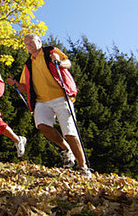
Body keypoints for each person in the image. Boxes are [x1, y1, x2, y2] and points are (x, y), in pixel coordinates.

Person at [7, 33, 92, 178]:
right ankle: (66, 150)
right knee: (41, 125)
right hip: (41, 101)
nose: (30, 45)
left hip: (61, 97)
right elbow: (25, 87)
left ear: (39, 41)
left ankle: (83, 167)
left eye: (32, 42)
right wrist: (15, 84)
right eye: (27, 44)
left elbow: (67, 63)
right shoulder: (28, 64)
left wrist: (59, 62)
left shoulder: (51, 51)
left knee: (70, 132)